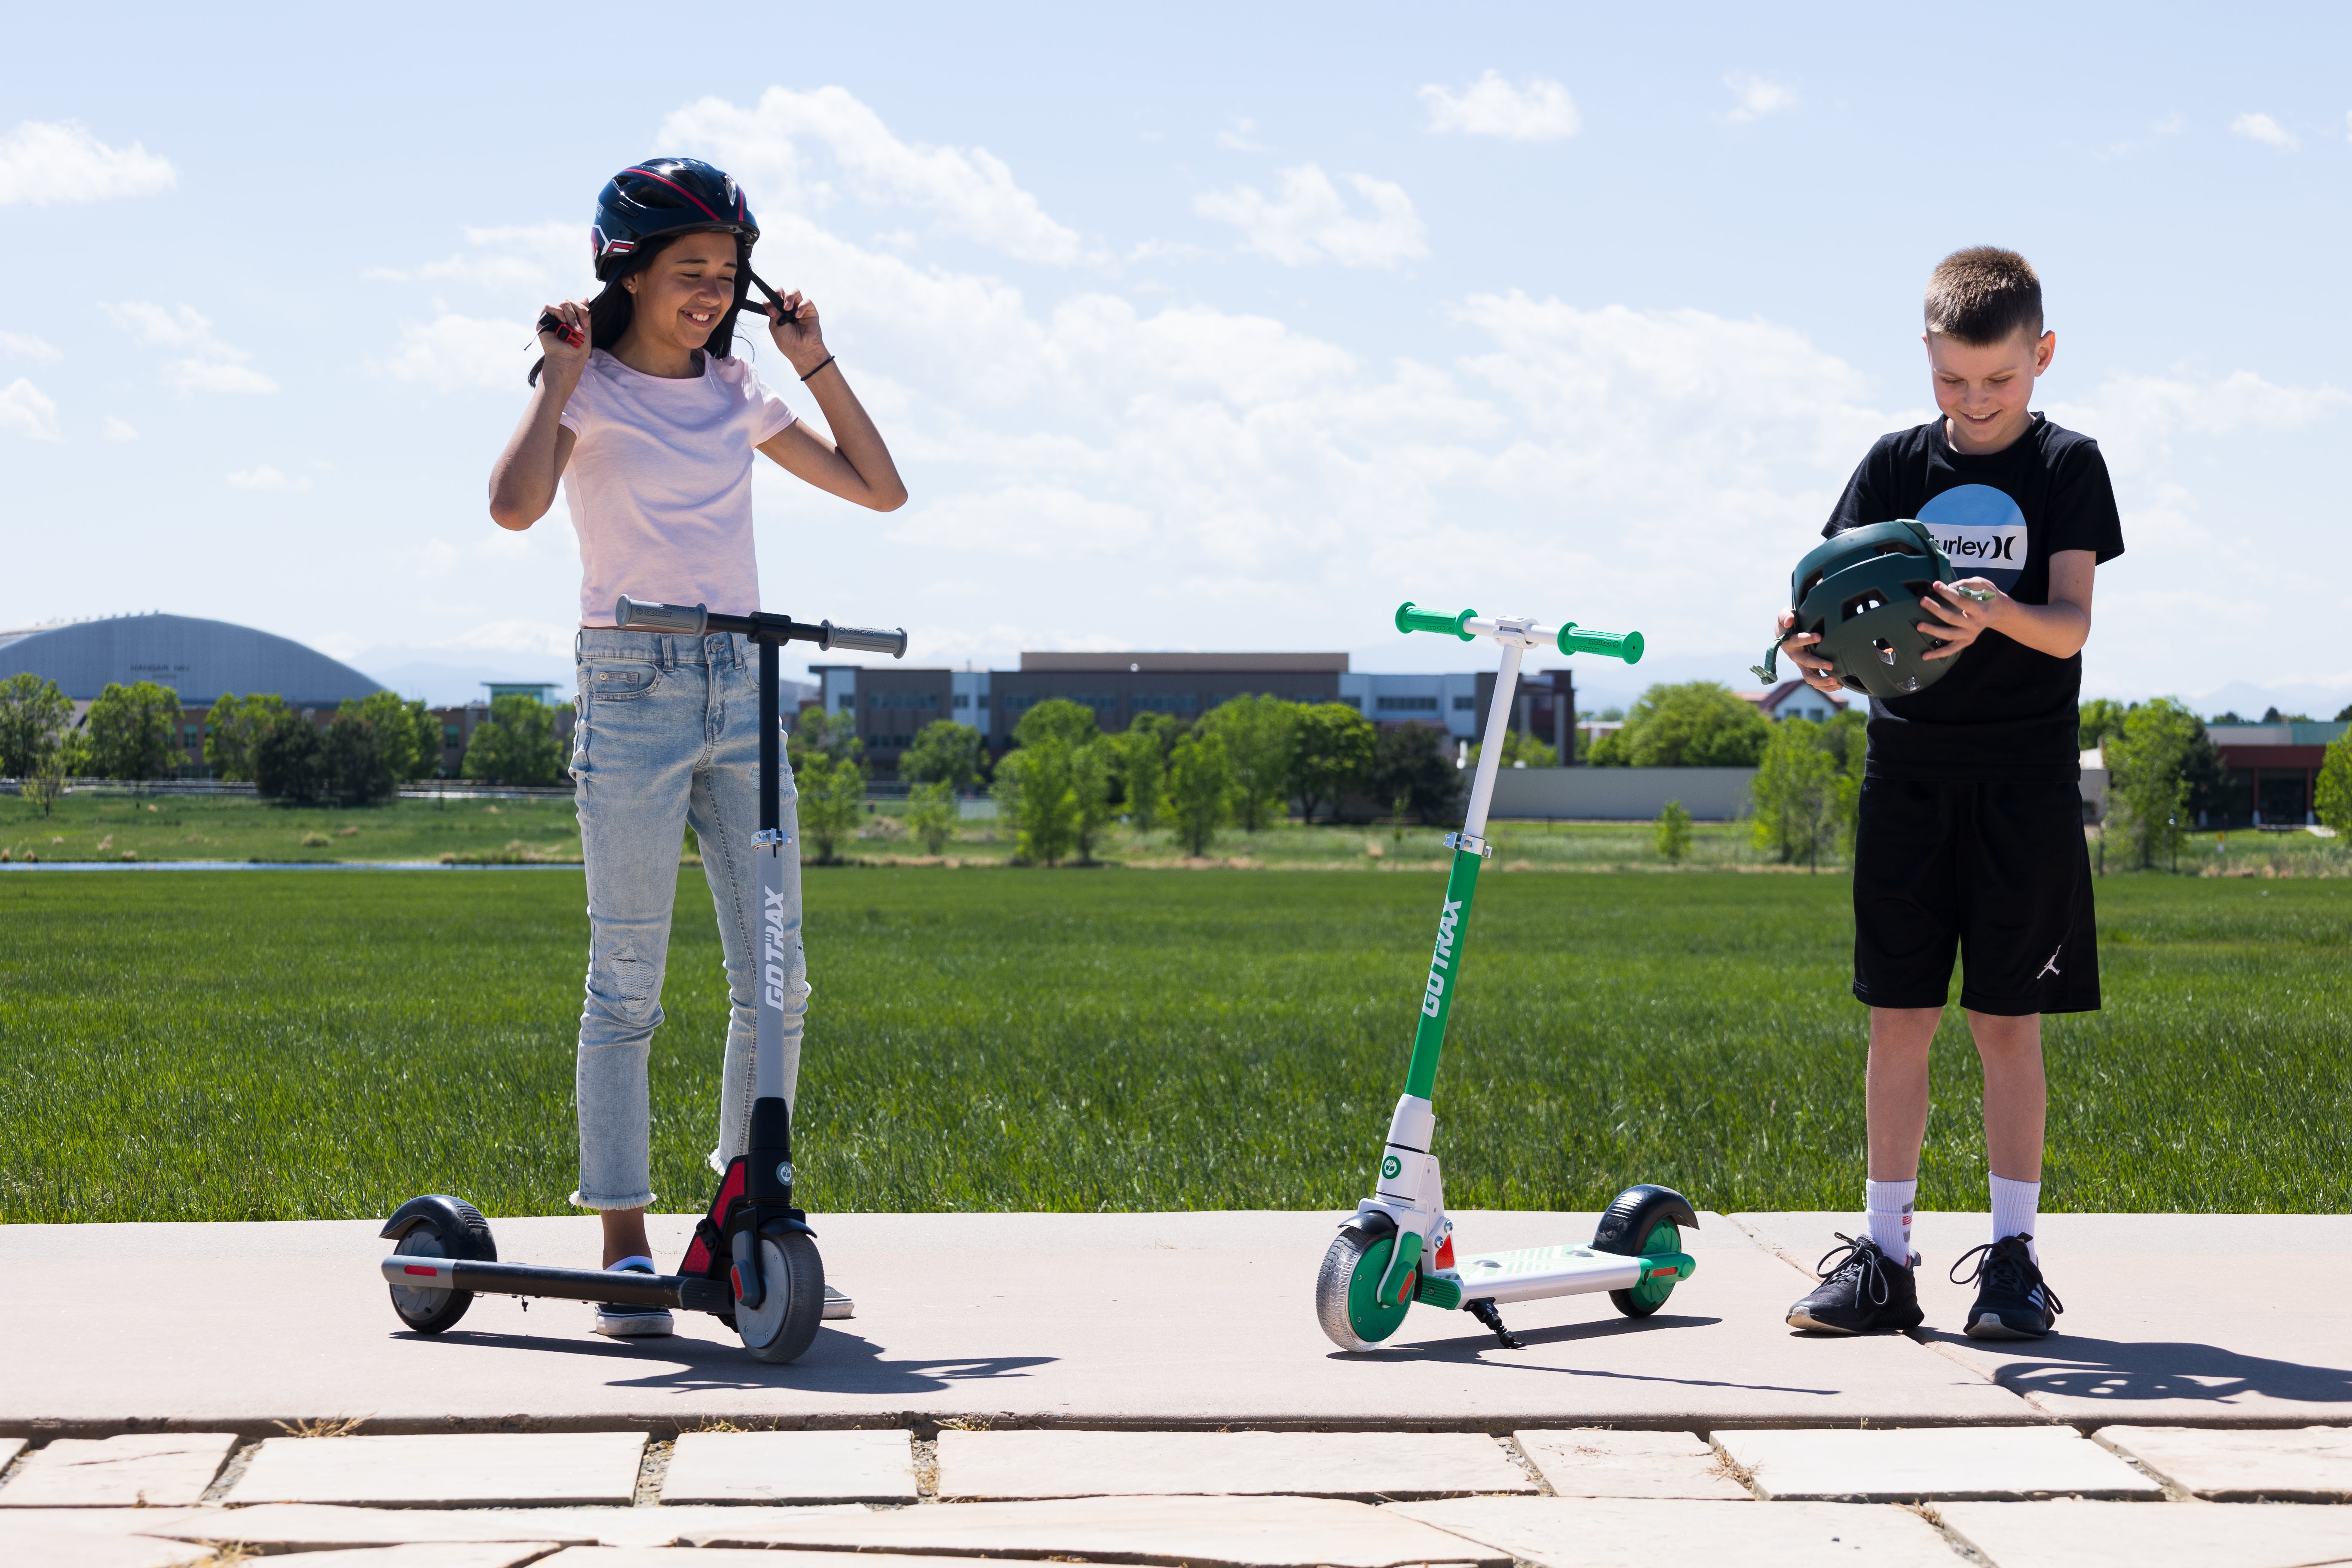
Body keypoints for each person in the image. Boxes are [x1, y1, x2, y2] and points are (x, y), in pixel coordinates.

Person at [487, 158, 906, 1337]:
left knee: (779, 985)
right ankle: (622, 1244)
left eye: (728, 273)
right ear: (625, 269)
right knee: (626, 982)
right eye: (691, 272)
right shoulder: (589, 386)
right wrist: (559, 375)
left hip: (743, 683)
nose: (714, 294)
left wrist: (813, 354)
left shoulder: (737, 392)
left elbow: (881, 490)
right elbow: (514, 507)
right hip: (631, 687)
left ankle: (742, 1213)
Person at [1776, 247, 2123, 1339]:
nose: (1974, 404)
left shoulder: (2070, 464)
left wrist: (1991, 612)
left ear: (2042, 357)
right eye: (1953, 381)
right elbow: (1823, 598)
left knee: (2007, 1023)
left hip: (2023, 783)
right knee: (1900, 1019)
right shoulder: (1892, 464)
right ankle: (1885, 1261)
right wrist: (1806, 652)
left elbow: (2069, 624)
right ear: (1928, 357)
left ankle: (2013, 1263)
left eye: (1999, 382)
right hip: (1908, 775)